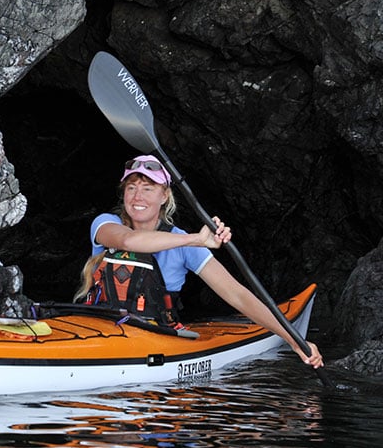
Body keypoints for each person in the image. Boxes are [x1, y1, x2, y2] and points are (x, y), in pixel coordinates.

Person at [77, 154, 324, 369]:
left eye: (148, 188)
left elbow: (237, 295)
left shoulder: (183, 243)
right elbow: (130, 243)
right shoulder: (106, 224)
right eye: (131, 187)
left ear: (165, 196)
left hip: (155, 335)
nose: (137, 196)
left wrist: (293, 340)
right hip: (97, 327)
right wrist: (197, 239)